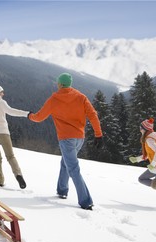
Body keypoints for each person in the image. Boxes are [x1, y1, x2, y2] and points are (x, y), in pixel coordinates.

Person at [28, 73, 103, 210]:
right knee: (66, 163)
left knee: (73, 168)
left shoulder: (54, 99)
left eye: (58, 82)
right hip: (79, 138)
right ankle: (62, 190)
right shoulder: (81, 97)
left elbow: (39, 117)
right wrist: (98, 134)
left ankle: (86, 201)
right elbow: (93, 115)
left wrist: (30, 116)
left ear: (60, 84)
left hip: (66, 138)